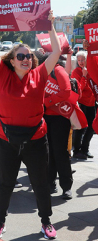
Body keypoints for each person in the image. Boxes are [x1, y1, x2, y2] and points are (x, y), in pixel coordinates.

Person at [0, 8, 61, 240]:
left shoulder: (39, 74)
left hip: (36, 139)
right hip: (7, 139)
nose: (26, 59)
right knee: (4, 183)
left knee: (40, 183)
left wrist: (50, 26)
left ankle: (46, 221)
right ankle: (0, 221)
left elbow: (56, 51)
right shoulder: (2, 74)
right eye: (20, 56)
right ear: (11, 60)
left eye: (28, 55)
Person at [42, 57, 73, 199]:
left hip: (60, 117)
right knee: (48, 153)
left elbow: (66, 91)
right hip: (44, 118)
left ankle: (66, 186)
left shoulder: (58, 70)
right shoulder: (42, 71)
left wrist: (47, 102)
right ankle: (49, 183)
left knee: (60, 153)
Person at [71, 51, 96, 160]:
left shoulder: (92, 71)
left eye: (83, 60)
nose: (81, 62)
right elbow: (79, 88)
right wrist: (84, 76)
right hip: (81, 103)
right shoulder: (76, 72)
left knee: (92, 127)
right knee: (80, 127)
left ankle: (85, 149)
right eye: (79, 60)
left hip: (92, 103)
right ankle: (77, 150)